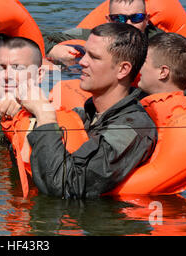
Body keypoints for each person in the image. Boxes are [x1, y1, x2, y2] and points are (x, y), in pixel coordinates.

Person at [16, 23, 157, 199]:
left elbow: (66, 186)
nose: (82, 62)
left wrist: (44, 114)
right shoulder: (89, 115)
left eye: (94, 57)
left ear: (123, 69)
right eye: (85, 53)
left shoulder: (132, 129)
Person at [46, 0, 186, 63]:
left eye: (137, 17)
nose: (129, 25)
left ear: (147, 19)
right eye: (120, 19)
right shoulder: (91, 37)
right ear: (109, 20)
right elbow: (39, 37)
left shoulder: (159, 40)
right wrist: (52, 50)